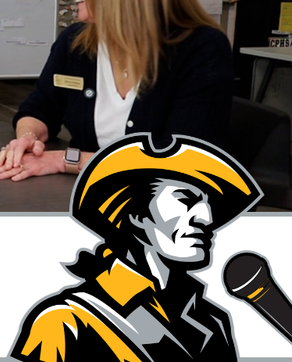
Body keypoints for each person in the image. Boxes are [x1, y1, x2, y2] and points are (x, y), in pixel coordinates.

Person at [0, 0, 233, 182]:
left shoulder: (202, 49)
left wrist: (66, 160)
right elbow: (40, 108)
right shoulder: (75, 42)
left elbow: (180, 161)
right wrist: (27, 139)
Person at [13, 134, 260, 361]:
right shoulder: (66, 322)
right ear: (137, 216)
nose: (206, 217)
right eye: (185, 200)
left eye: (208, 206)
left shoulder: (212, 321)